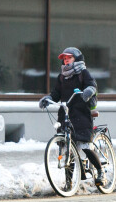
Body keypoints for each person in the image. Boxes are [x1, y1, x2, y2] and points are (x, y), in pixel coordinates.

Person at [39, 47, 105, 187]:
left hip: (81, 113)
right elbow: (56, 94)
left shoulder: (83, 73)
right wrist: (48, 98)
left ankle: (100, 172)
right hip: (65, 114)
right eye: (64, 58)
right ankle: (69, 183)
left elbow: (92, 85)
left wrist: (88, 91)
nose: (66, 60)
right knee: (68, 148)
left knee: (85, 146)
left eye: (69, 57)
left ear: (76, 58)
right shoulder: (62, 77)